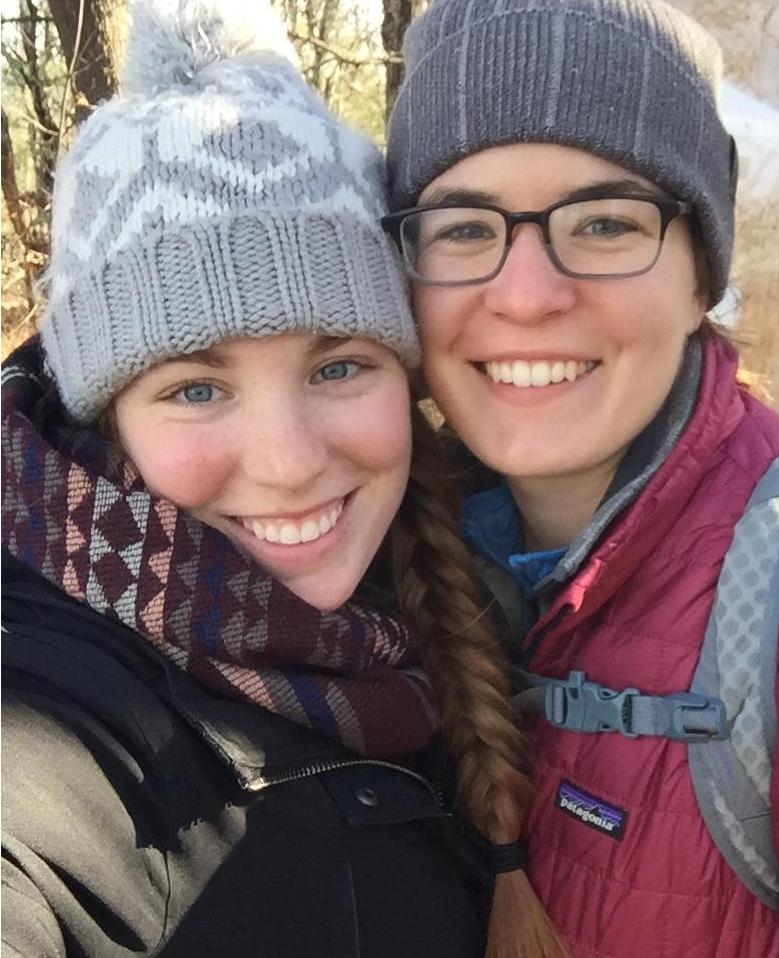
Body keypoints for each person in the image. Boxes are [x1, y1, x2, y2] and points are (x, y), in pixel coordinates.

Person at [382, 0, 779, 955]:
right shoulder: (369, 542)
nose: (525, 295)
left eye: (605, 223)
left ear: (702, 278)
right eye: (465, 229)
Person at [1, 2, 565, 956]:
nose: (291, 461)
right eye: (194, 387)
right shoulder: (46, 730)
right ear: (106, 422)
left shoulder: (449, 603)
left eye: (337, 367)